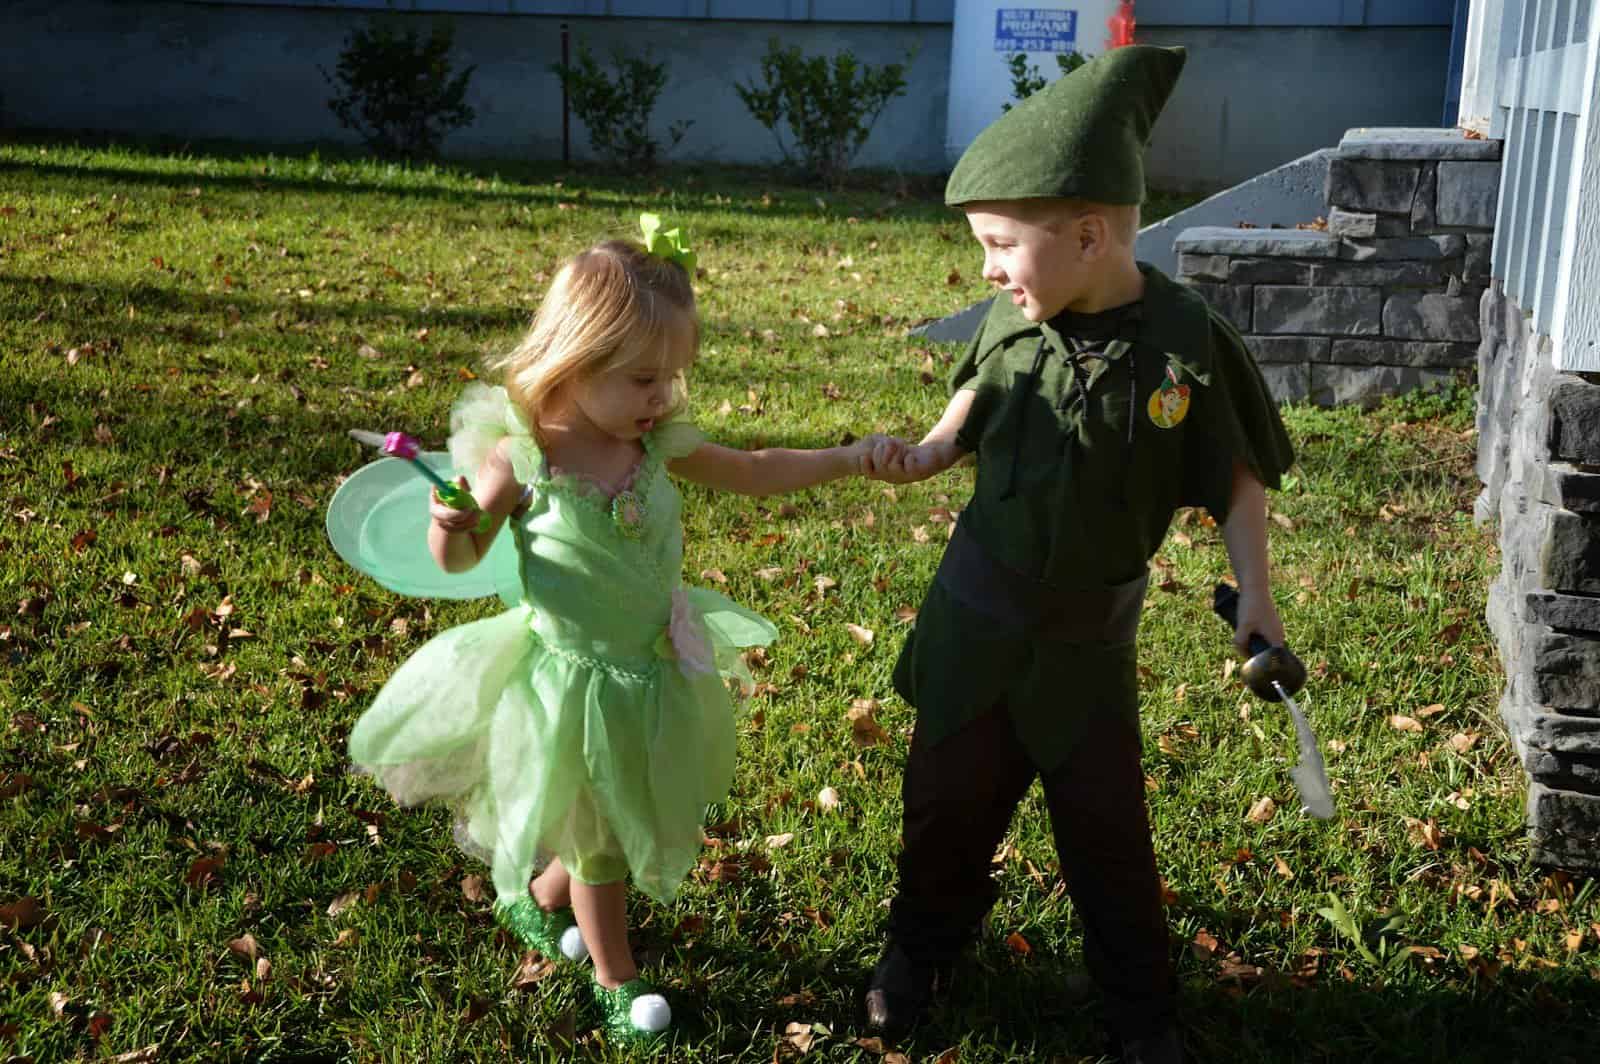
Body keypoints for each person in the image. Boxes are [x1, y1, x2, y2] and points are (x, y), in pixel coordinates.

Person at [331, 219, 893, 1047]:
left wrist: (847, 459)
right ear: (576, 357)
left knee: (623, 808)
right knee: (605, 840)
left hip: (654, 668)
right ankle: (614, 978)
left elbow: (756, 469)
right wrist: (449, 523)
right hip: (574, 681)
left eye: (672, 378)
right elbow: (457, 560)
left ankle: (539, 897)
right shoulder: (524, 458)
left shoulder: (657, 442)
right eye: (642, 379)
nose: (663, 398)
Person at [859, 46, 1295, 1064]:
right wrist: (921, 453)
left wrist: (1260, 598)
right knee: (944, 804)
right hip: (972, 628)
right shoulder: (1013, 330)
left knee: (1107, 833)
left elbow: (1233, 479)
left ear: (1090, 235)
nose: (987, 268)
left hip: (1084, 651)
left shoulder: (1184, 341)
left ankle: (1139, 1008)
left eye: (1002, 244)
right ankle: (918, 951)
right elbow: (963, 411)